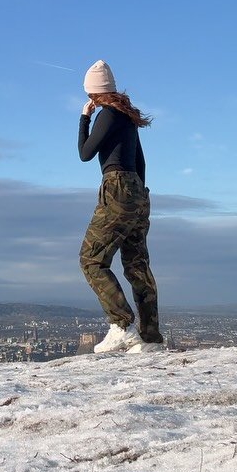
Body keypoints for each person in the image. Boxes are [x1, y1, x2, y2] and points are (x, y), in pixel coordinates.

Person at [78, 60, 163, 353]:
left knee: (91, 259)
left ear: (94, 93)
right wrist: (139, 195)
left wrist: (83, 119)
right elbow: (140, 162)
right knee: (137, 265)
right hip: (138, 192)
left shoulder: (107, 115)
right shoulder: (127, 117)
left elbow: (85, 153)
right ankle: (150, 338)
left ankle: (122, 326)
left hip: (117, 189)